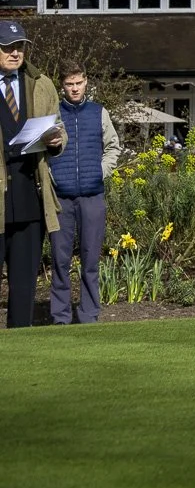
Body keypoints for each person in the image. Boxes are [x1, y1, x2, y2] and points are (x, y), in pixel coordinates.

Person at [1, 20, 67, 328]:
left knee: (24, 285)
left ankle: (19, 347)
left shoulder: (42, 83)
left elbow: (60, 130)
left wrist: (56, 141)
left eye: (20, 47)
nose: (15, 53)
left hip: (29, 197)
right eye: (7, 48)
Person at [46, 64, 118, 326]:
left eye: (78, 82)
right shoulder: (52, 115)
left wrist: (99, 172)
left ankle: (89, 316)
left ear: (86, 82)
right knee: (60, 260)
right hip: (61, 199)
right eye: (69, 84)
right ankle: (61, 317)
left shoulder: (99, 113)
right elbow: (42, 151)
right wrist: (52, 179)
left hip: (92, 196)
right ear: (62, 86)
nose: (74, 88)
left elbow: (113, 147)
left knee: (90, 260)